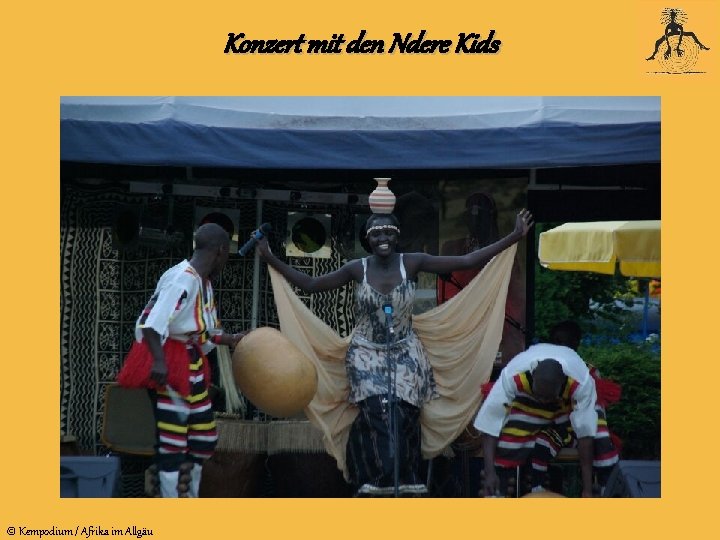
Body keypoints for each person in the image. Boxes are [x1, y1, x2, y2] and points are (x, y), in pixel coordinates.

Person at [257, 208, 533, 496]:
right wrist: (271, 259)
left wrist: (513, 237)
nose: (383, 238)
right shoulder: (357, 268)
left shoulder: (412, 262)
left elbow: (468, 260)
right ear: (367, 239)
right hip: (366, 353)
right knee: (377, 410)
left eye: (389, 232)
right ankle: (375, 482)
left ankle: (407, 482)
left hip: (405, 352)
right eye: (376, 234)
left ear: (398, 236)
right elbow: (312, 285)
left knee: (403, 414)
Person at [117, 223, 246, 497]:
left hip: (190, 360)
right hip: (170, 360)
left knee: (202, 438)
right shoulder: (183, 279)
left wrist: (231, 339)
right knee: (173, 441)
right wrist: (161, 363)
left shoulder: (202, 281)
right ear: (221, 251)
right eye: (226, 255)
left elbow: (200, 331)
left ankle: (187, 494)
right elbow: (153, 325)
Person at [474, 327, 619, 498]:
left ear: (563, 384)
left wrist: (587, 489)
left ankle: (606, 485)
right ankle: (499, 489)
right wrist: (490, 472)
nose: (544, 402)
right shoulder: (512, 374)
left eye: (547, 398)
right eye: (540, 397)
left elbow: (585, 434)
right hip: (528, 402)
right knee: (507, 439)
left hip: (568, 406)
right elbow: (490, 423)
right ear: (532, 377)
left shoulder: (583, 380)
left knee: (598, 429)